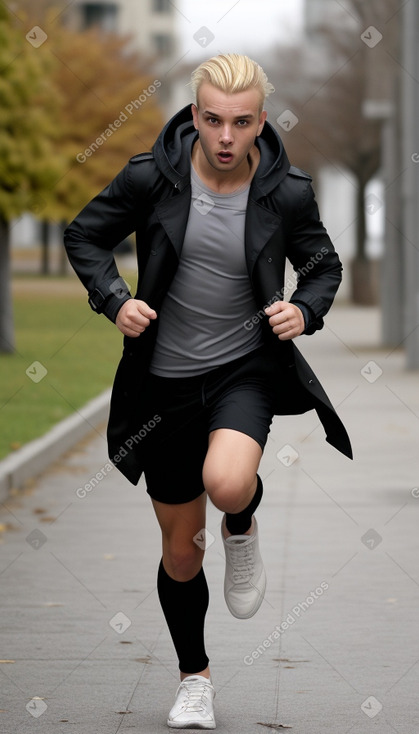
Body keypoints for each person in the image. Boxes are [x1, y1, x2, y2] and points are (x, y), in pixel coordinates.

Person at [64, 53, 352, 729]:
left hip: (243, 372)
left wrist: (304, 310)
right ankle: (195, 678)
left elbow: (322, 264)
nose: (226, 137)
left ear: (260, 124)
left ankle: (242, 521)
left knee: (226, 483)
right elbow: (85, 236)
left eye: (242, 122)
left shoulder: (286, 192)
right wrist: (114, 300)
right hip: (161, 385)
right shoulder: (149, 178)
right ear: (194, 116)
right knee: (179, 549)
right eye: (214, 120)